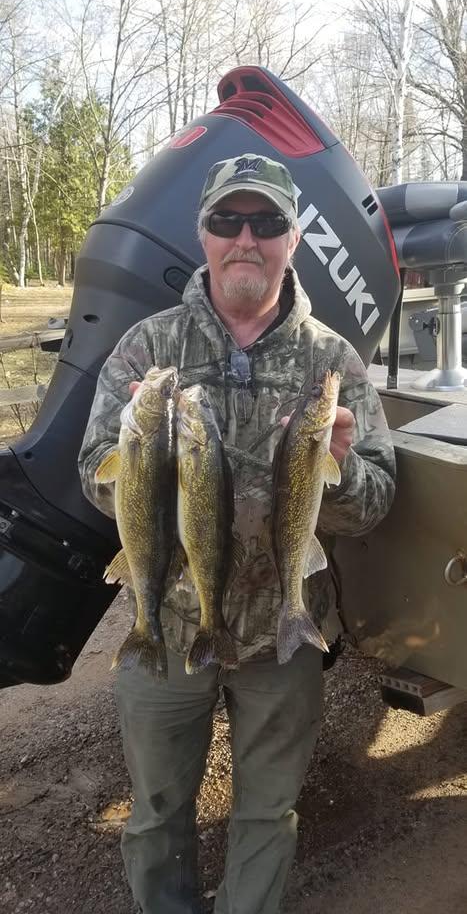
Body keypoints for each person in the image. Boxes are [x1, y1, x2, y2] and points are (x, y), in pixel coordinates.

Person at [78, 152, 396, 914]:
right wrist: (141, 461)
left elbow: (376, 500)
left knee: (266, 814)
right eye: (227, 220)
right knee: (155, 813)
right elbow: (95, 475)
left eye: (265, 222)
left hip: (283, 635)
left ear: (294, 237)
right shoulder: (146, 349)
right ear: (203, 234)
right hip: (170, 622)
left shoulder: (333, 361)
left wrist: (343, 470)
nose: (244, 238)